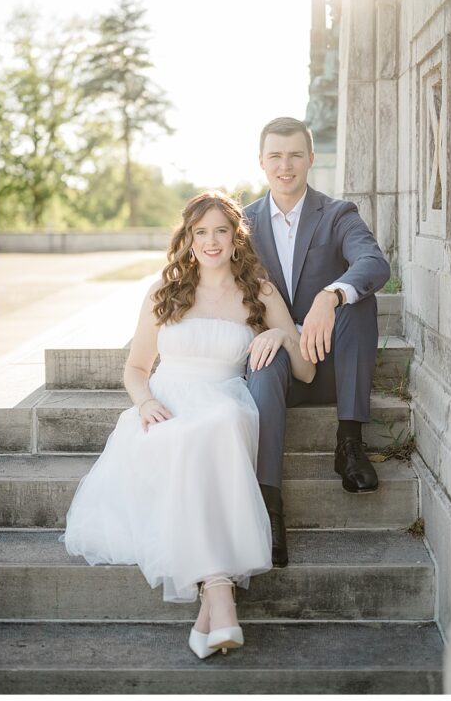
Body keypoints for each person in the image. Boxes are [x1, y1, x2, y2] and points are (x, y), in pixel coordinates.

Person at [63, 191, 316, 659]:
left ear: (236, 237)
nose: (211, 241)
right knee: (188, 434)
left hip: (225, 400)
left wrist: (282, 334)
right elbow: (136, 369)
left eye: (221, 230)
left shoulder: (259, 292)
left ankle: (214, 601)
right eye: (201, 232)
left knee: (220, 423)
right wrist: (144, 403)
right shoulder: (165, 291)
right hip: (167, 405)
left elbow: (305, 371)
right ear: (188, 237)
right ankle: (217, 602)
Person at [243, 117, 390, 568]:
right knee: (264, 360)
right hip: (274, 366)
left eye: (294, 155)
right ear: (261, 162)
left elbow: (373, 262)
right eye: (275, 156)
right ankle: (268, 511)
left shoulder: (338, 214)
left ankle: (349, 443)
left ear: (310, 158)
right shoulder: (243, 223)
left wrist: (331, 295)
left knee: (357, 301)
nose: (285, 166)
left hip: (327, 361)